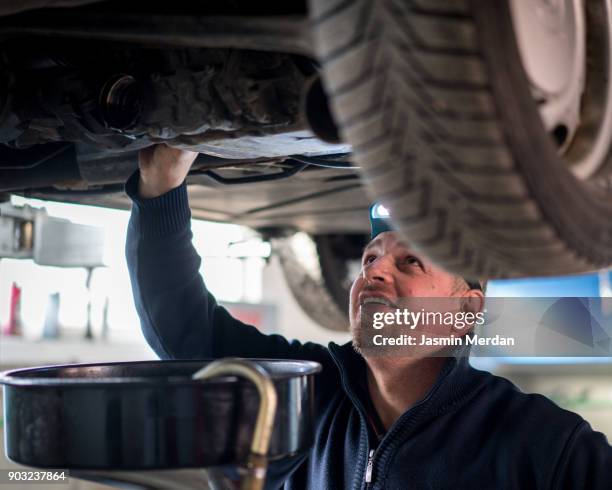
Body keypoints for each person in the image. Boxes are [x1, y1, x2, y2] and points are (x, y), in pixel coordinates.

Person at [125, 144, 612, 489]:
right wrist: (162, 187)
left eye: (409, 262)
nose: (375, 271)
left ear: (467, 308)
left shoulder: (542, 445)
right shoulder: (305, 395)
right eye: (370, 259)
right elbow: (187, 331)